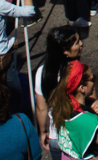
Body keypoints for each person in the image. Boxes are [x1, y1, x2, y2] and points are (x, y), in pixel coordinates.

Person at [49, 61, 98, 160]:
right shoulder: (91, 121)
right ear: (82, 88)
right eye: (92, 79)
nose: (94, 82)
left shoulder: (59, 109)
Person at [36, 26, 83, 160]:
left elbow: (41, 108)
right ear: (64, 51)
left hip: (55, 137)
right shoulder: (78, 72)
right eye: (77, 42)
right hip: (77, 135)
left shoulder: (41, 72)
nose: (81, 44)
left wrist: (43, 131)